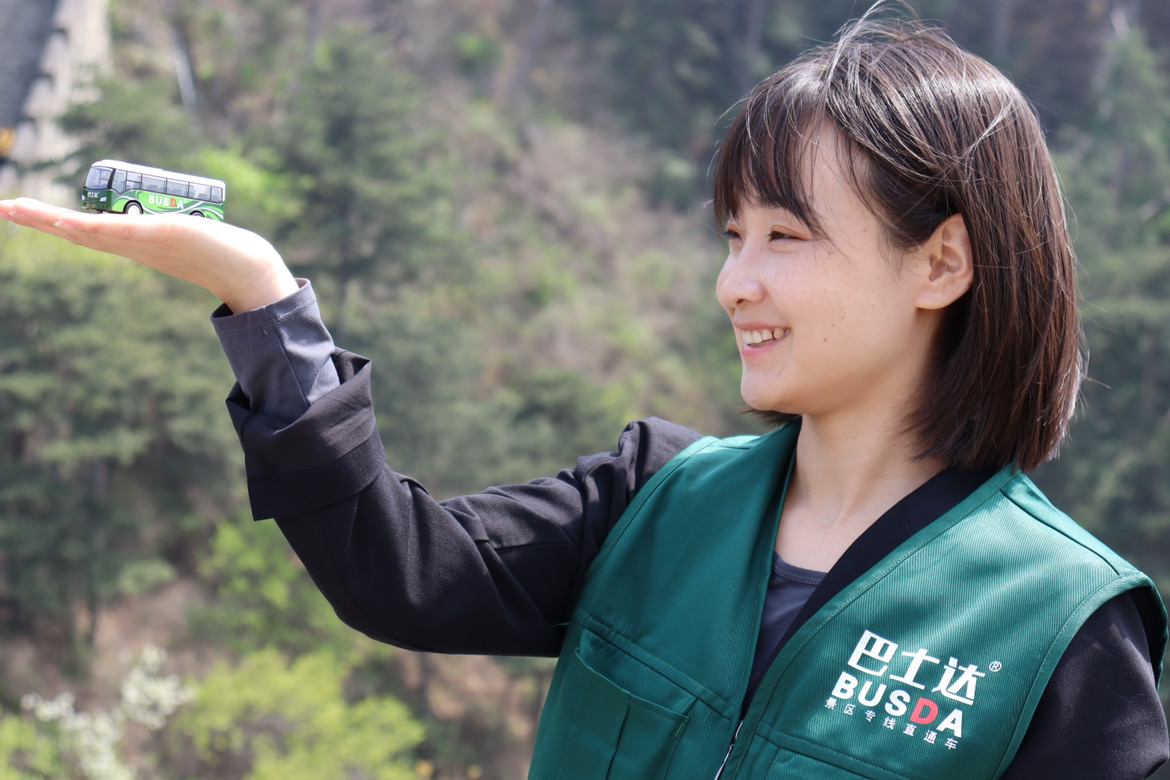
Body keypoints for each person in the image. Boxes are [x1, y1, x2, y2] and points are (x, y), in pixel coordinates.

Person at [1, 7, 1167, 779]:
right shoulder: (657, 502)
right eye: (732, 235)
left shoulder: (1058, 624)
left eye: (785, 237)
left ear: (942, 263)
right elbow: (394, 570)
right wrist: (262, 300)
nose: (736, 283)